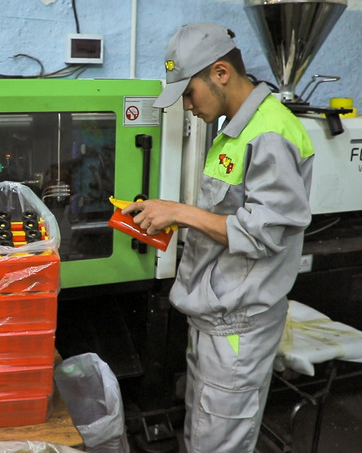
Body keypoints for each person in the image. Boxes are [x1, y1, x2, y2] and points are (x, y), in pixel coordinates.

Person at [121, 23, 314, 452]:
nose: (188, 106)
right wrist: (174, 217)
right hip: (214, 319)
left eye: (190, 94)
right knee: (203, 435)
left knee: (218, 444)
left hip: (238, 329)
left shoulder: (270, 133)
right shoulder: (235, 130)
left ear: (221, 73)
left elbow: (263, 233)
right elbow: (229, 216)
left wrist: (181, 212)